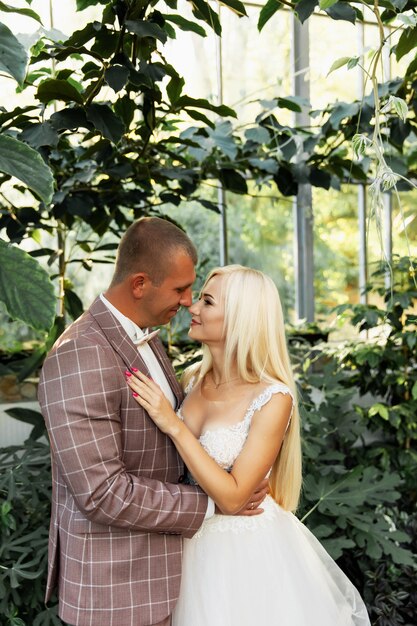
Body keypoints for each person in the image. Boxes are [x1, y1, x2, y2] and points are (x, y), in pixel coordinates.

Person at [38, 218, 267, 626]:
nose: (188, 301)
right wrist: (216, 502)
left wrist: (234, 479)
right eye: (180, 289)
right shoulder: (80, 355)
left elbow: (168, 450)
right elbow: (103, 493)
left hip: (173, 577)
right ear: (140, 284)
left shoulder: (145, 337)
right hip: (118, 593)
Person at [126, 264, 371, 626]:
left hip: (246, 555)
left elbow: (234, 498)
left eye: (207, 301)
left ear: (241, 318)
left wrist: (174, 425)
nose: (192, 306)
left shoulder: (273, 397)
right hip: (185, 541)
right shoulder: (192, 378)